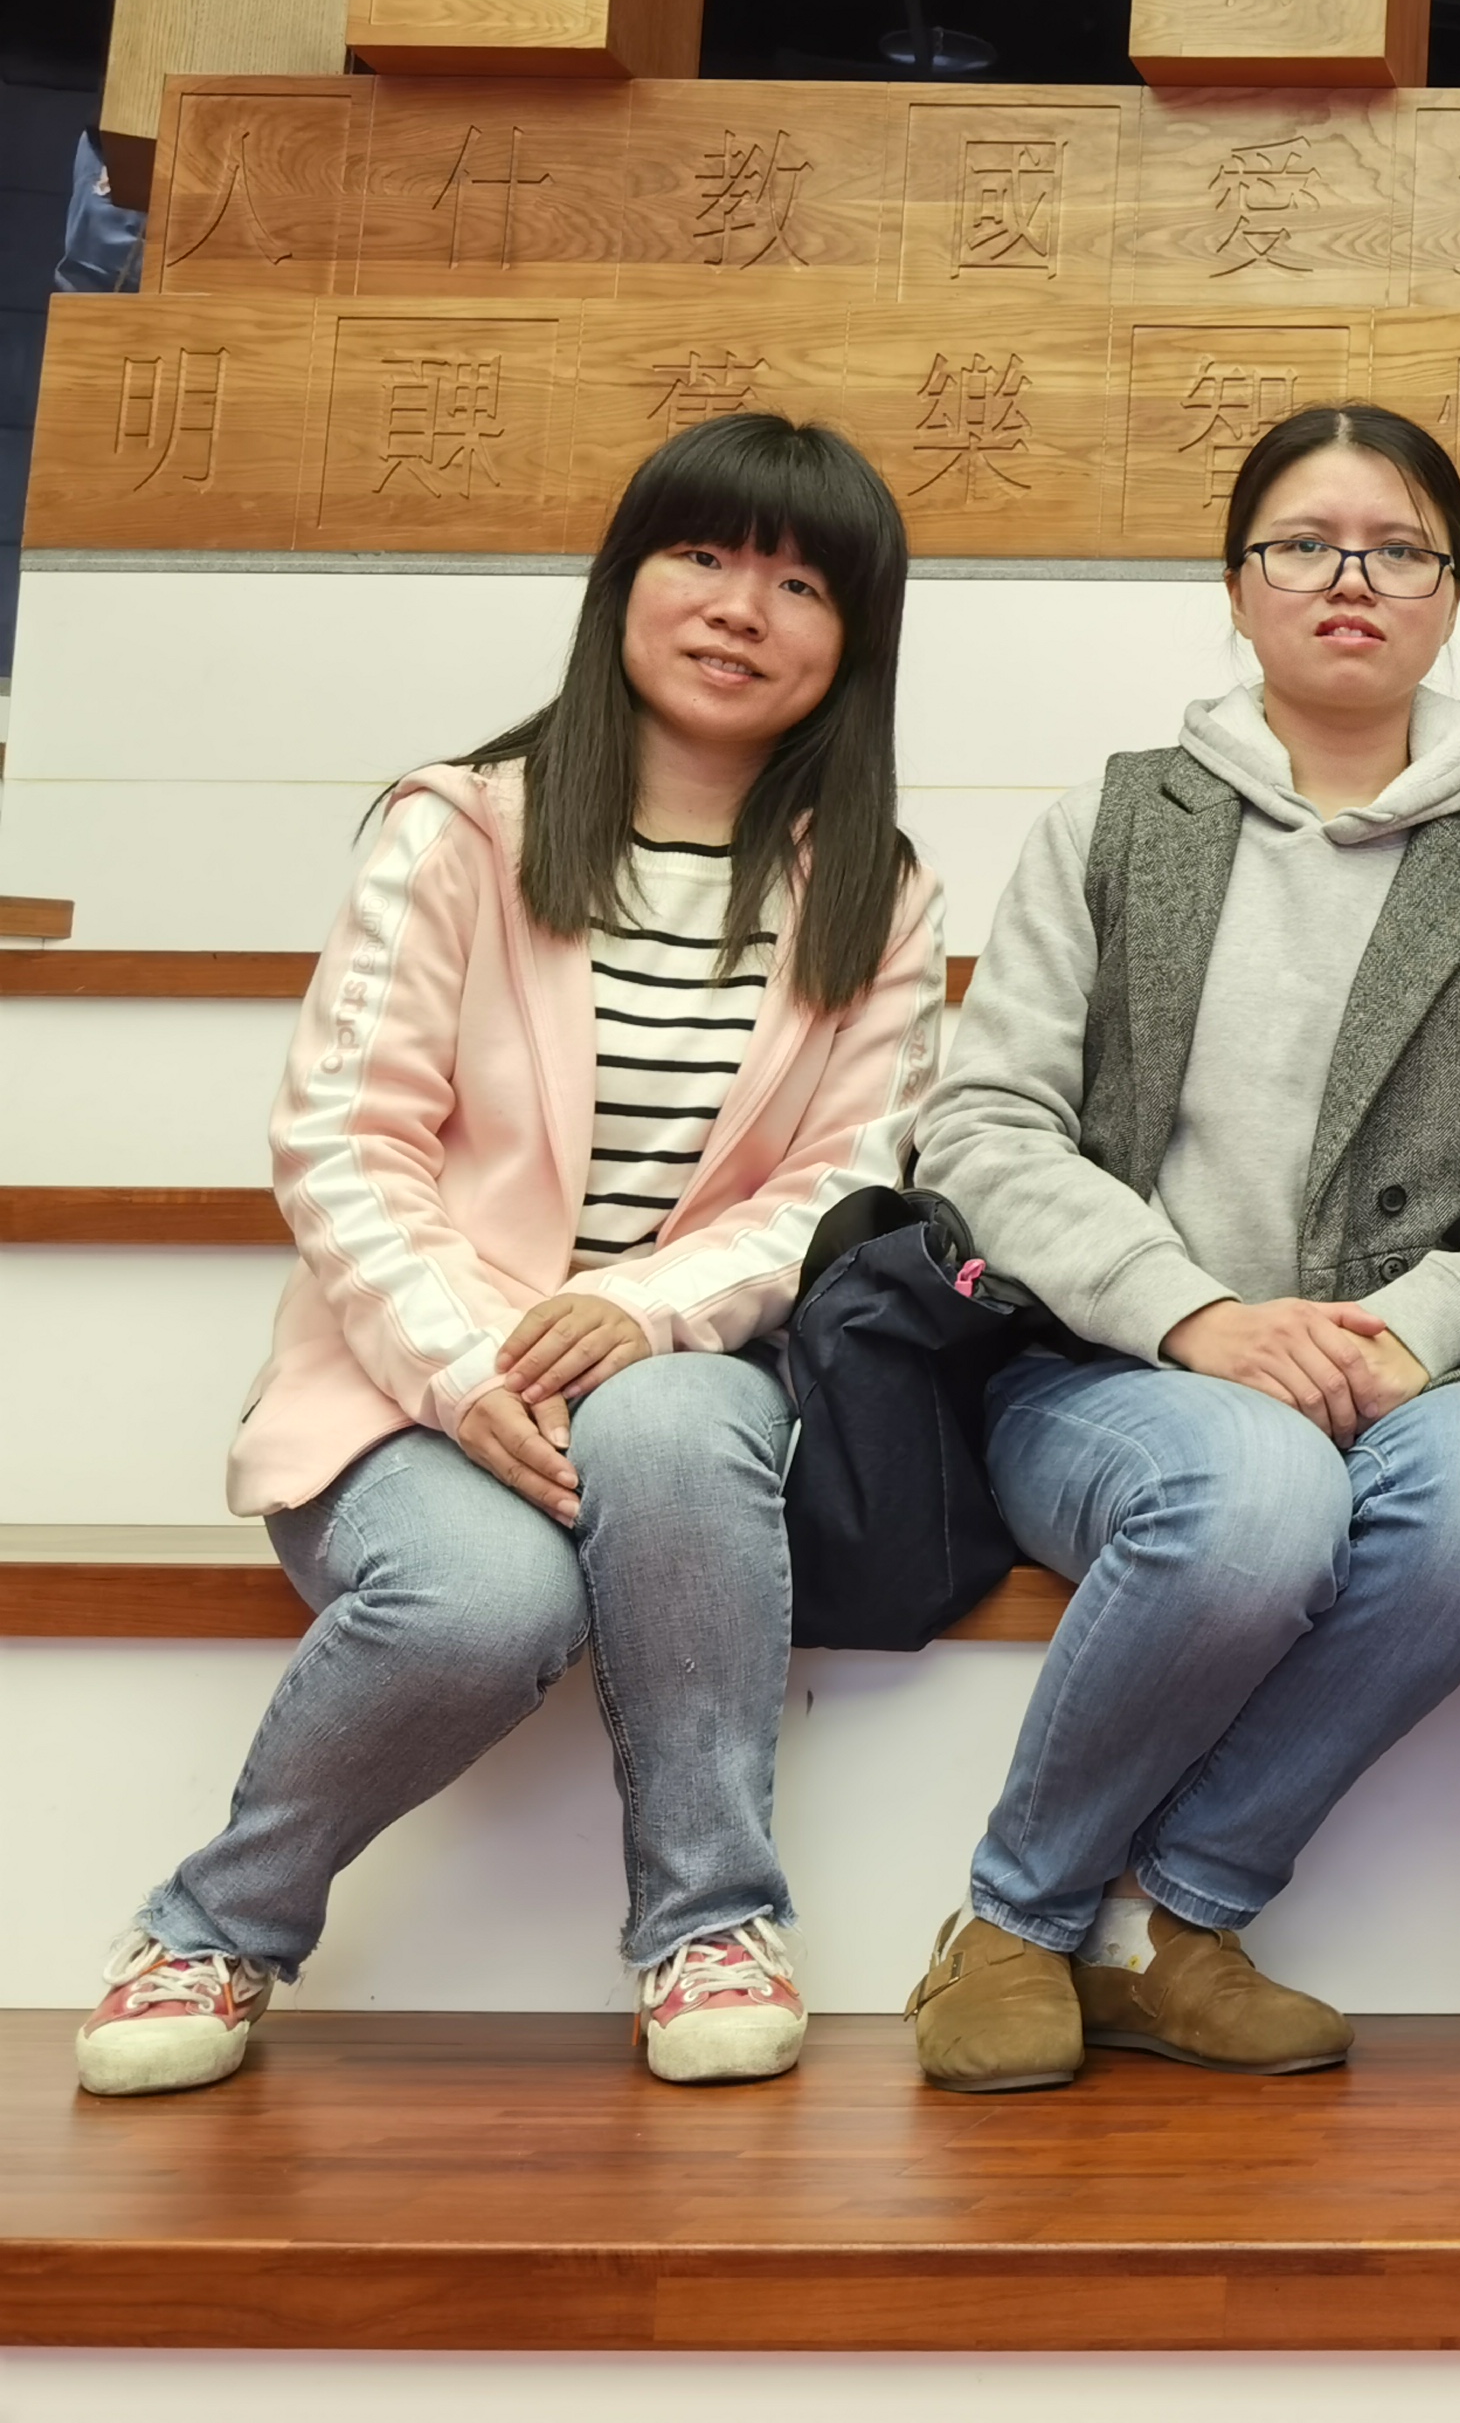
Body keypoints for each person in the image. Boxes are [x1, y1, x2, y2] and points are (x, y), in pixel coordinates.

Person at [77, 416, 941, 2097]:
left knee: (669, 1421)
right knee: (483, 1604)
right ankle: (215, 1923)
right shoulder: (461, 828)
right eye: (702, 556)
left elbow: (847, 1180)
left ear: (856, 639)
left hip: (688, 1382)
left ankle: (710, 1922)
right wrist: (472, 1365)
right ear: (623, 581)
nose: (740, 607)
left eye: (799, 583)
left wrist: (638, 1307)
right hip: (405, 1383)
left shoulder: (876, 888)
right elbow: (346, 1140)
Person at [904, 405, 1460, 2093]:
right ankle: (1016, 1913)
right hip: (1111, 1369)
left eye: (1399, 549)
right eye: (1305, 543)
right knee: (1257, 1495)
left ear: (1451, 593)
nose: (1351, 579)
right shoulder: (1120, 820)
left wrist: (1413, 1329)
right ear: (1235, 580)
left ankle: (1168, 1915)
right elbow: (983, 1128)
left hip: (1411, 1366)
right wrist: (1193, 1314)